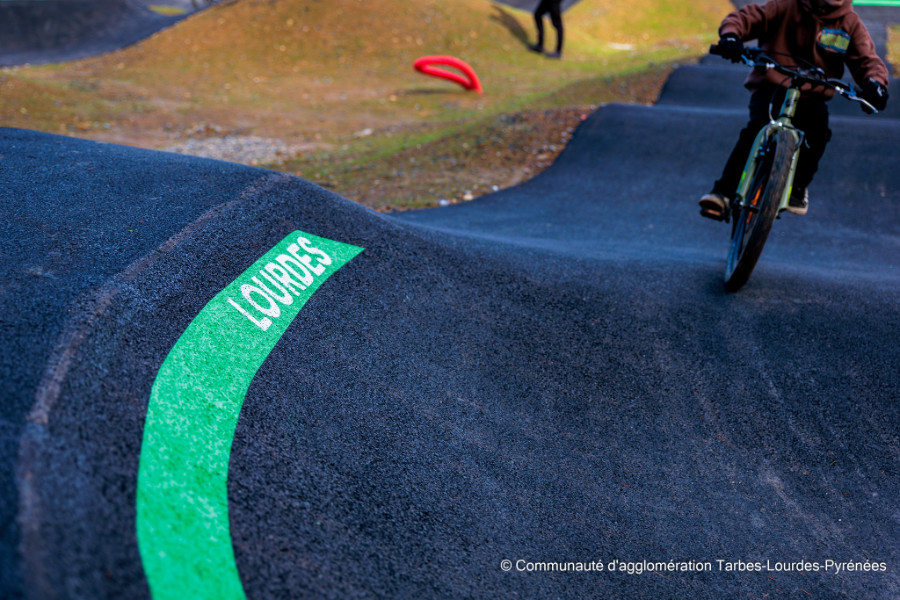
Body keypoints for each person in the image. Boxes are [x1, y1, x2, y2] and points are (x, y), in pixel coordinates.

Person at [699, 0, 889, 220]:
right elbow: (748, 17)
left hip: (812, 94)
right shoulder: (787, 5)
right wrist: (732, 35)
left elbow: (867, 60)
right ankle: (723, 192)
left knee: (817, 133)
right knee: (757, 129)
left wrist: (876, 84)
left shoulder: (849, 23)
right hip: (772, 84)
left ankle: (797, 187)